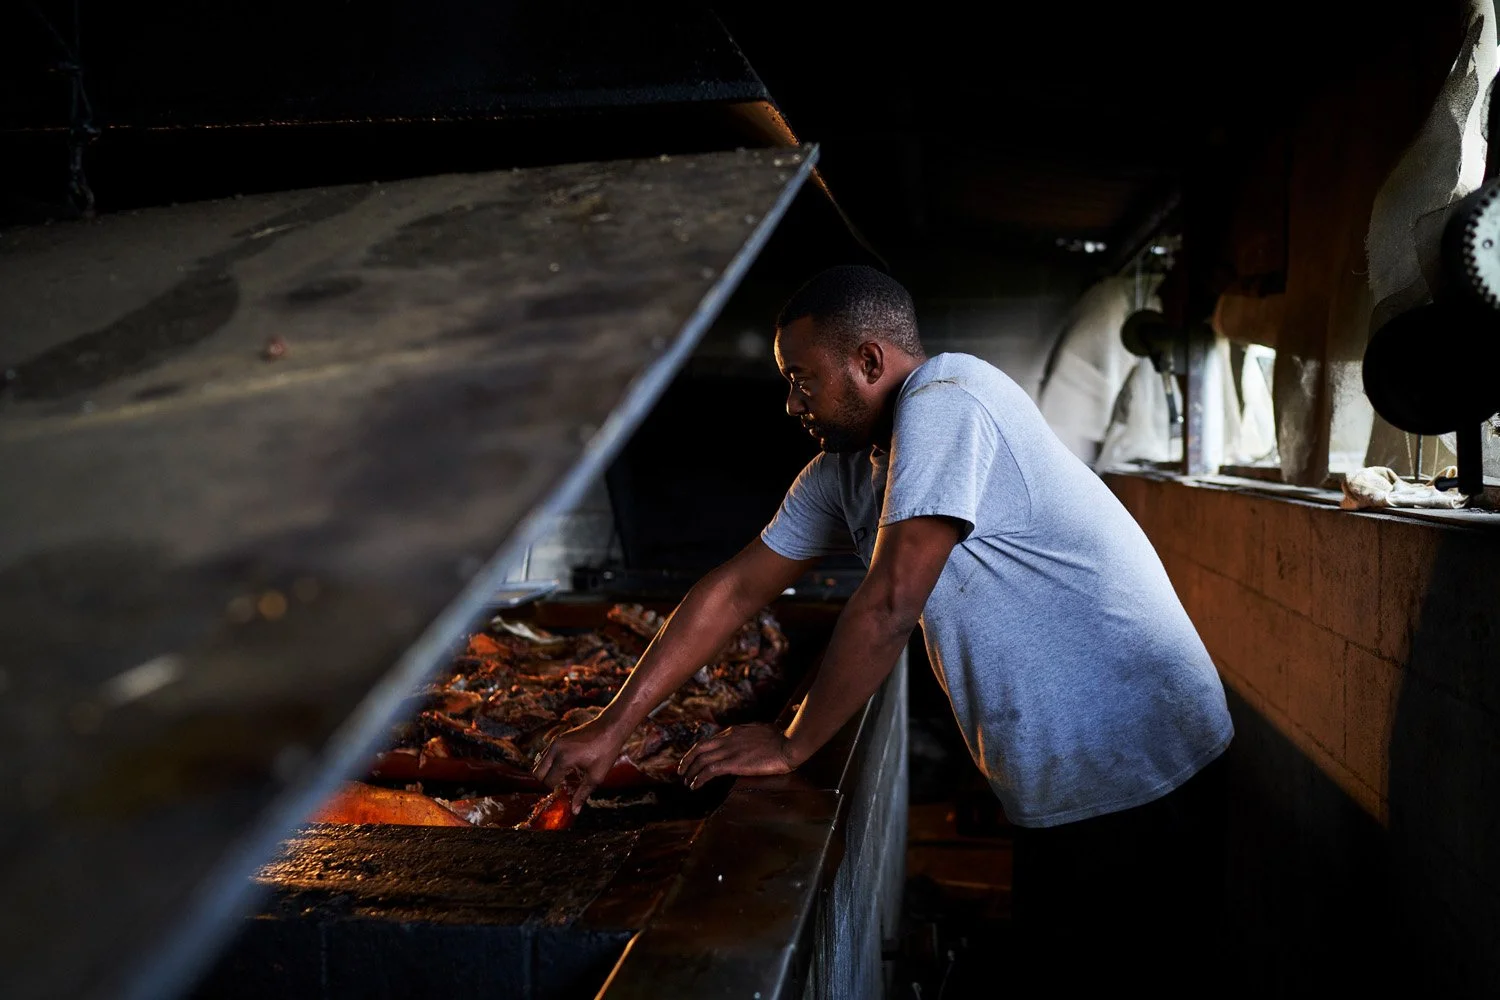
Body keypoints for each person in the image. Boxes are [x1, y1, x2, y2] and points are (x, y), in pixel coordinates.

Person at [534, 264, 1233, 967]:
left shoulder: (950, 397)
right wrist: (611, 728)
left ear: (869, 361)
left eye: (801, 378)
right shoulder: (845, 472)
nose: (790, 403)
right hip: (1069, 777)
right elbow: (735, 591)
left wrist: (792, 743)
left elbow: (893, 599)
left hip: (1143, 758)